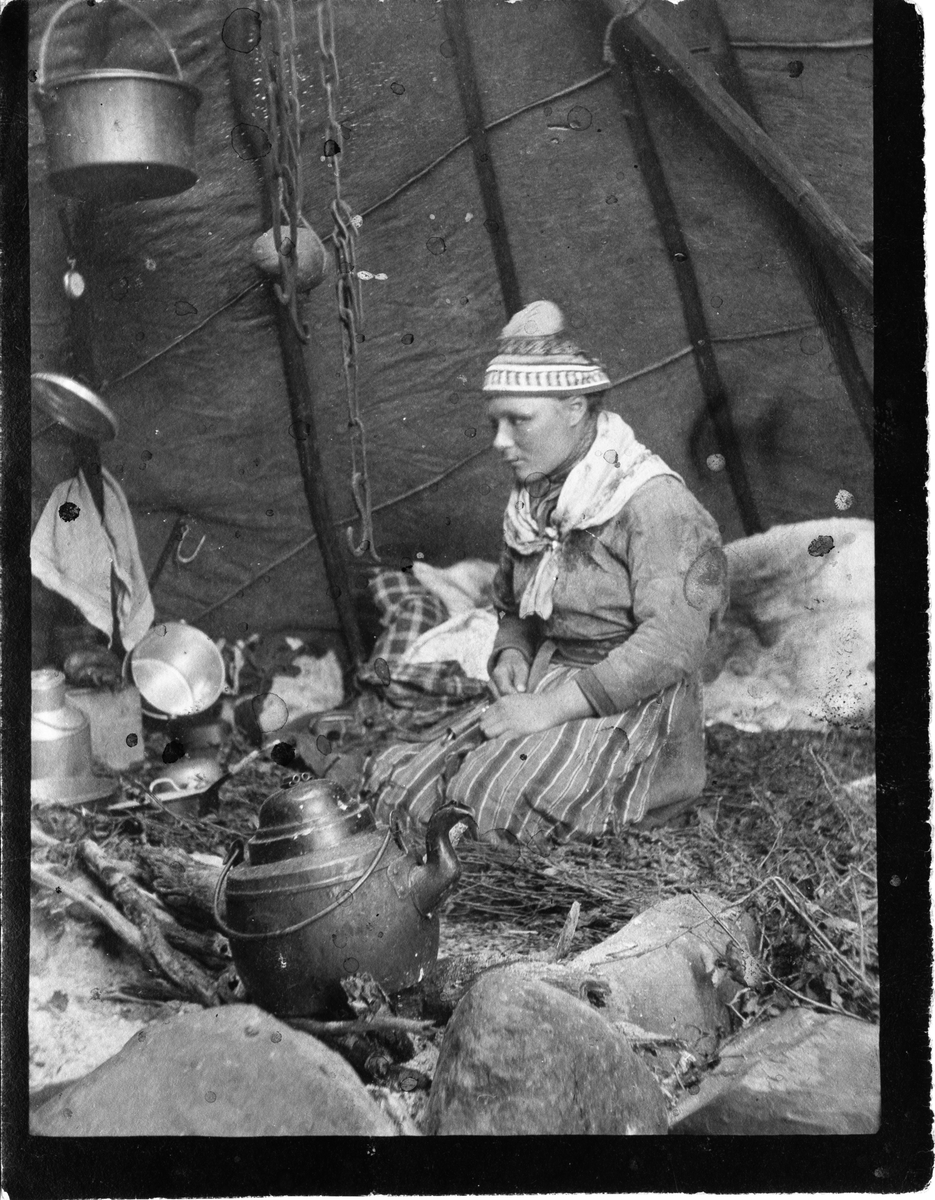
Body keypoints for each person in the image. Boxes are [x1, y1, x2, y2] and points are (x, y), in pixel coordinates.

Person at [363, 300, 728, 846]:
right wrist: (512, 651)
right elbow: (514, 604)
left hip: (635, 701)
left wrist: (548, 709)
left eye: (519, 420)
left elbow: (673, 643)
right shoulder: (534, 502)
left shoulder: (653, 504)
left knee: (484, 806)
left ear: (575, 407)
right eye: (495, 423)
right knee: (412, 791)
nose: (500, 442)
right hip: (550, 684)